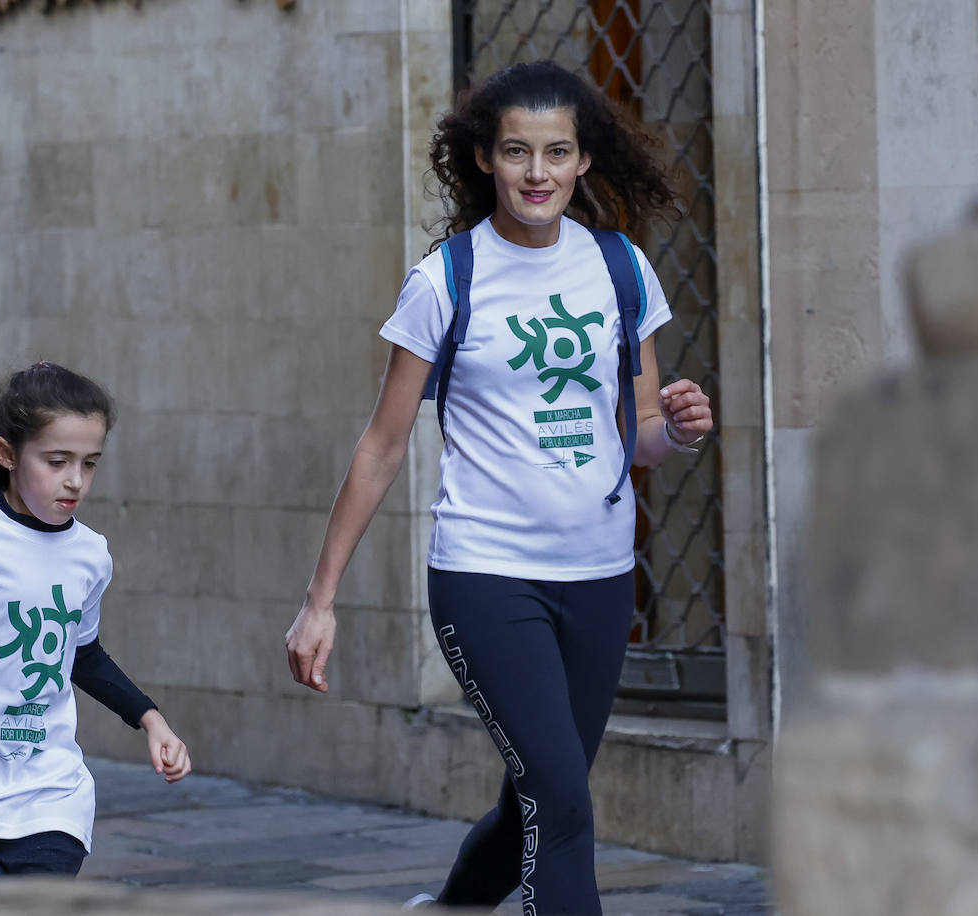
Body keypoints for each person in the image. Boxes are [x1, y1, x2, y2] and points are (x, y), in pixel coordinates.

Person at [284, 61, 712, 914]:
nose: (537, 173)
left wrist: (682, 431)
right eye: (517, 151)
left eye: (557, 152)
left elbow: (640, 438)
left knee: (538, 793)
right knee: (561, 802)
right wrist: (320, 598)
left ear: (584, 160)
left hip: (597, 577)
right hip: (485, 578)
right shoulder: (448, 280)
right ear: (486, 158)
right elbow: (383, 444)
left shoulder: (622, 270)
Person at [0, 361, 191, 877]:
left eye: (89, 463)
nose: (74, 480)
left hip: (46, 790)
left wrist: (150, 719)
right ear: (8, 454)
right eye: (56, 461)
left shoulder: (91, 555)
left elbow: (82, 653)